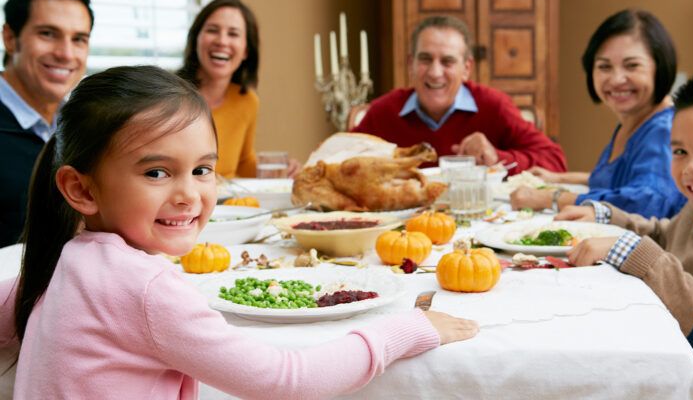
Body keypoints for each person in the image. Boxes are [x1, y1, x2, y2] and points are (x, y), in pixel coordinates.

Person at [0, 66, 478, 399]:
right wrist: (405, 331)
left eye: (203, 169)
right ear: (80, 189)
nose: (189, 194)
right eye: (156, 173)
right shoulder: (144, 288)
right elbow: (286, 380)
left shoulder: (63, 262)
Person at [559, 64, 693, 399]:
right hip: (659, 352)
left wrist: (636, 253)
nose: (692, 167)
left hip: (692, 385)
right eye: (680, 151)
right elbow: (667, 234)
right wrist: (607, 216)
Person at [510, 9, 686, 218]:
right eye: (604, 67)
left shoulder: (664, 129)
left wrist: (552, 197)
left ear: (660, 67)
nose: (616, 79)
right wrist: (558, 178)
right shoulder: (632, 122)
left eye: (632, 66)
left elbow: (648, 202)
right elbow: (617, 180)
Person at [352, 15, 566, 173]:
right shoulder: (384, 111)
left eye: (448, 61)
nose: (435, 73)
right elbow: (336, 161)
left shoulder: (494, 105)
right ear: (411, 64)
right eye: (425, 59)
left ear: (466, 68)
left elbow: (555, 161)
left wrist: (495, 157)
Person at [0, 0, 93, 247]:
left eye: (78, 39)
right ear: (10, 38)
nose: (65, 53)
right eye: (48, 34)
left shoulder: (83, 125)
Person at [178, 0, 299, 179]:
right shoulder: (168, 96)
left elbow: (244, 163)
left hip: (228, 205)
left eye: (233, 34)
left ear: (246, 51)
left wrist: (282, 169)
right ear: (196, 40)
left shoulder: (247, 101)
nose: (222, 41)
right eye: (212, 30)